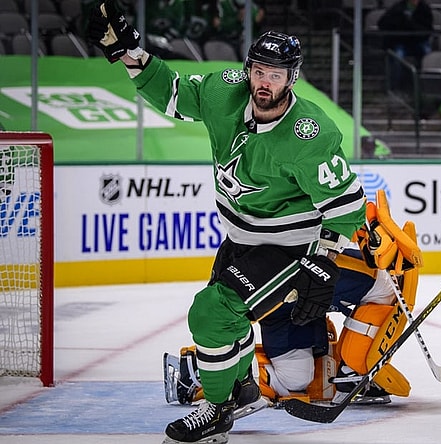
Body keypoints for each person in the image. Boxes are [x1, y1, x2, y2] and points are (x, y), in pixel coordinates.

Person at [86, 2, 367, 443]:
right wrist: (131, 53)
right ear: (248, 70)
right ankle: (239, 390)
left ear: (292, 78)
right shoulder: (226, 91)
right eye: (259, 71)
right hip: (241, 239)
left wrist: (324, 262)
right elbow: (176, 92)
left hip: (288, 248)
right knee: (229, 319)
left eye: (276, 75)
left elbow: (346, 205)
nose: (265, 82)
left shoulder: (311, 133)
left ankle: (216, 411)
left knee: (212, 311)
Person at [164, 192, 423, 411]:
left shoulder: (292, 159)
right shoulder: (287, 157)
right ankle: (199, 370)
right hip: (283, 271)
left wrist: (369, 229)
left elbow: (344, 204)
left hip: (300, 272)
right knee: (382, 286)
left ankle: (348, 371)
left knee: (298, 379)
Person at [377, 0, 434, 88]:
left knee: (428, 52)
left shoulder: (425, 9)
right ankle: (395, 85)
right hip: (401, 42)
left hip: (419, 41)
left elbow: (428, 30)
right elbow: (382, 23)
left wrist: (411, 25)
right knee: (398, 55)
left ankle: (426, 85)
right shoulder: (397, 8)